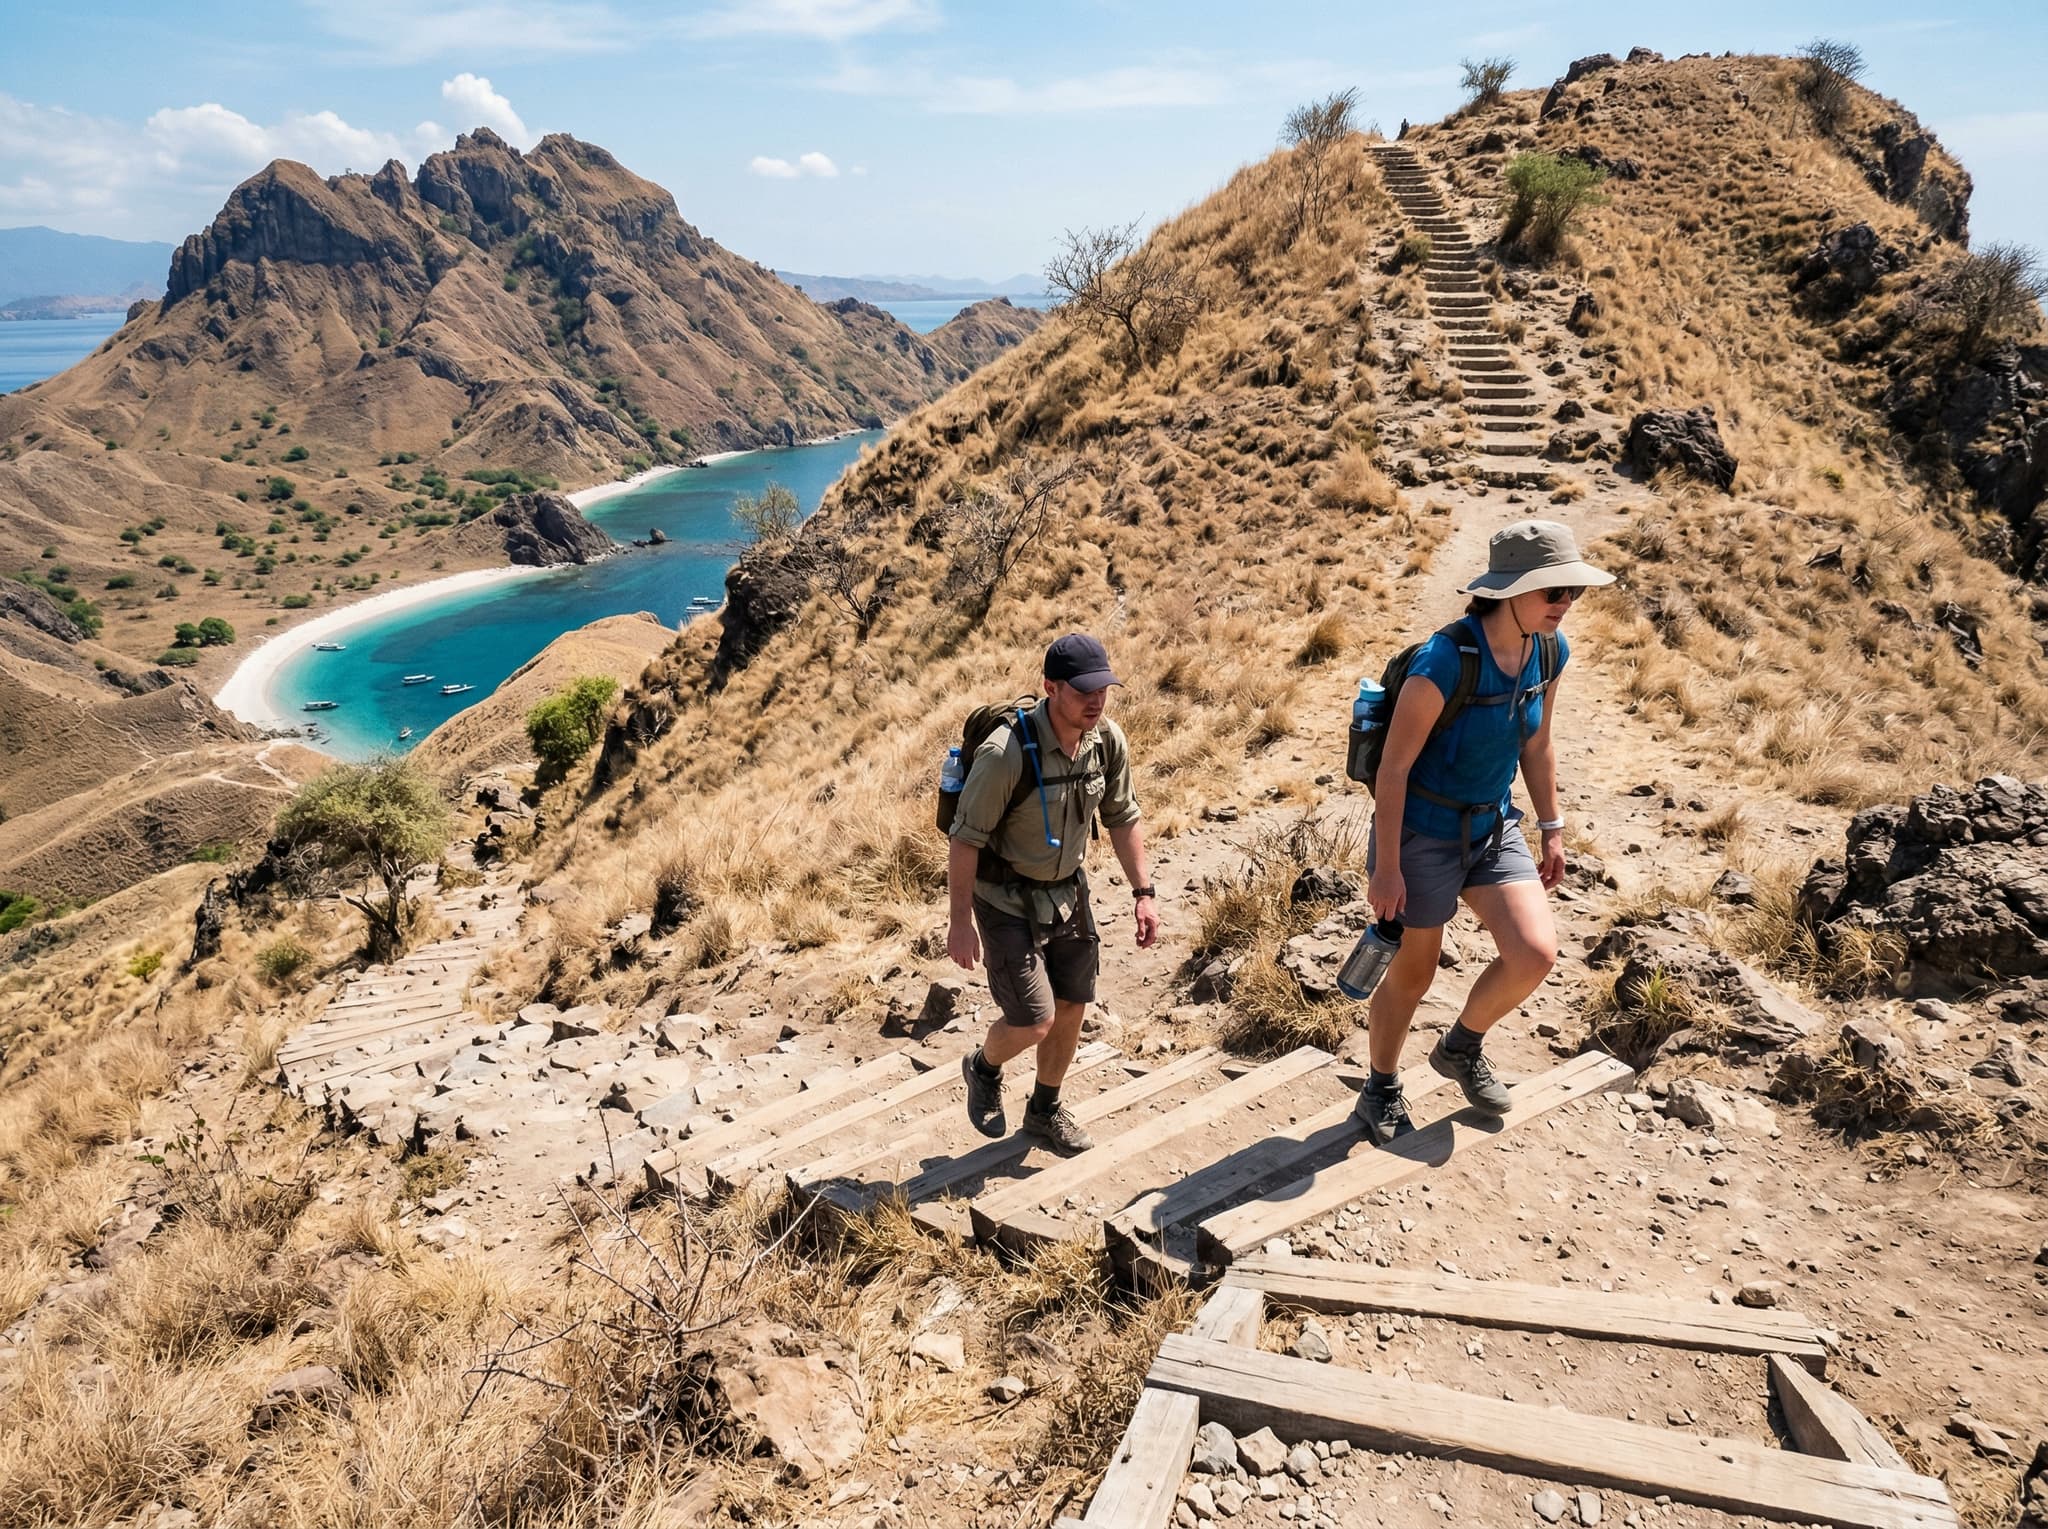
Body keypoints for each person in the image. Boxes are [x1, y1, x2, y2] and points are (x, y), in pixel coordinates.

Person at [1355, 520, 1613, 1145]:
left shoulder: (1550, 652)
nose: (1565, 605)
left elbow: (1538, 743)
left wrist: (1552, 827)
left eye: (1572, 593)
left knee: (1534, 953)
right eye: (1554, 593)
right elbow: (1393, 773)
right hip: (1423, 835)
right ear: (1511, 592)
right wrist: (1387, 868)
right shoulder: (1443, 662)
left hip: (1493, 828)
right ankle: (1380, 1087)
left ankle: (1461, 1047)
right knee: (1415, 974)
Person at [948, 634, 1159, 1151]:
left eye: (1104, 688)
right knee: (1033, 1018)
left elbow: (1122, 817)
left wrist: (1144, 892)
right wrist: (959, 922)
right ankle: (983, 1066)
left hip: (1067, 892)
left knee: (1072, 1003)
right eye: (1084, 690)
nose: (1096, 699)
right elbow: (965, 839)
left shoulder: (1106, 741)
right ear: (1051, 687)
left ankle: (1044, 1111)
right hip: (1004, 899)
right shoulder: (1005, 754)